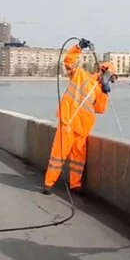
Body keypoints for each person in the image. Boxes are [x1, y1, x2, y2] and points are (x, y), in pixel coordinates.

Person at [42, 38, 116, 195]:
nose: (111, 80)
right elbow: (69, 61)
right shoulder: (81, 76)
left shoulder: (100, 90)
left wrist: (104, 93)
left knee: (78, 160)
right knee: (58, 155)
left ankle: (75, 185)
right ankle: (48, 183)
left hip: (82, 129)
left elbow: (100, 109)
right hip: (69, 122)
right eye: (110, 76)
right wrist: (78, 47)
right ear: (103, 71)